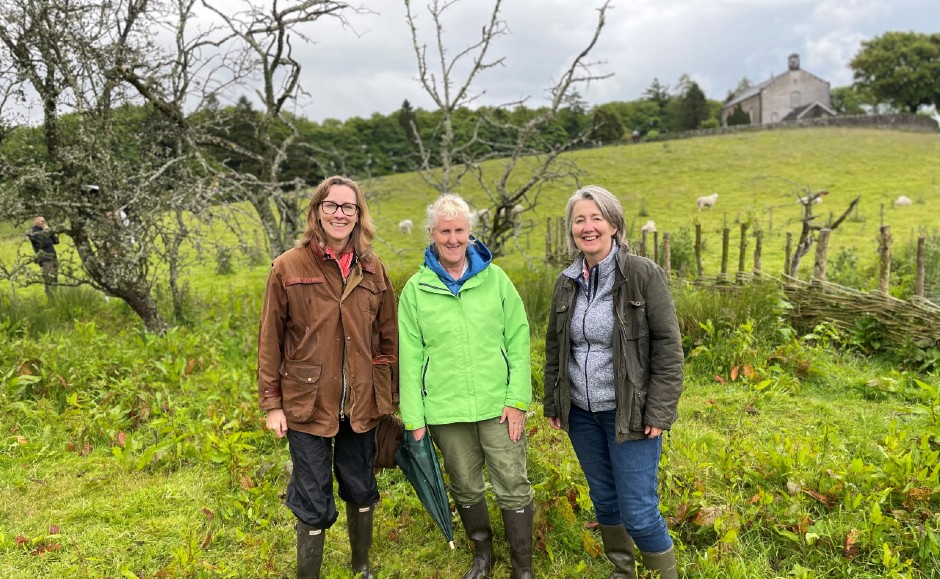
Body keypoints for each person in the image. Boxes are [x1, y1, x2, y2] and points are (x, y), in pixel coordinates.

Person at [257, 175, 398, 579]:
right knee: (313, 497)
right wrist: (272, 403)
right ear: (317, 211)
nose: (340, 214)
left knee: (361, 486)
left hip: (361, 402)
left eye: (348, 207)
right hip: (306, 404)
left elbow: (388, 339)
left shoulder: (373, 269)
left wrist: (387, 395)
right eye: (332, 206)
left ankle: (362, 566)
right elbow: (270, 338)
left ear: (359, 216)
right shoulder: (288, 266)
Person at [543, 185, 683, 579]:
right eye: (579, 220)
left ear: (614, 224)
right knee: (605, 501)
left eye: (595, 218)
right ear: (571, 230)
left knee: (638, 512)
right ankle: (623, 572)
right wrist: (554, 401)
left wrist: (659, 410)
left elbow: (669, 347)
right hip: (583, 415)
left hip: (631, 412)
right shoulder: (566, 281)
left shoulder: (641, 275)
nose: (587, 227)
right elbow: (556, 347)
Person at [398, 194, 534, 579]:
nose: (453, 238)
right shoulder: (416, 291)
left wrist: (517, 399)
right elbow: (409, 357)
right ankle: (482, 557)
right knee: (465, 484)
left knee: (512, 482)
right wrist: (415, 418)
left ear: (470, 232)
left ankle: (522, 566)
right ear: (432, 234)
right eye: (445, 231)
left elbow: (518, 340)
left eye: (459, 230)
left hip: (498, 405)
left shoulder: (496, 280)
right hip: (445, 408)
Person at [27, 216, 60, 299]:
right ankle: (50, 298)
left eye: (44, 221)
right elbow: (44, 243)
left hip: (53, 257)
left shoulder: (45, 230)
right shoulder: (33, 232)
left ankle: (55, 297)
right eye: (41, 221)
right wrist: (46, 233)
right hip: (45, 259)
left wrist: (49, 231)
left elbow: (56, 241)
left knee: (55, 278)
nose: (43, 222)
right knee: (48, 279)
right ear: (35, 221)